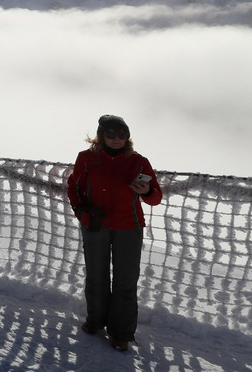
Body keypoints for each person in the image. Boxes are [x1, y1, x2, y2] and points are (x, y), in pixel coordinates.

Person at [66, 114, 162, 352]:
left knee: (125, 281)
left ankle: (121, 333)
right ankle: (96, 321)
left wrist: (147, 190)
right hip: (95, 224)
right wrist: (83, 214)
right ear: (101, 135)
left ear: (128, 137)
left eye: (122, 134)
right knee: (96, 275)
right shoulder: (86, 158)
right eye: (111, 134)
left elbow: (156, 198)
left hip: (129, 226)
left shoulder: (139, 161)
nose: (117, 139)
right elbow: (74, 188)